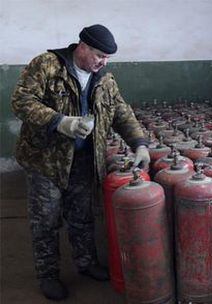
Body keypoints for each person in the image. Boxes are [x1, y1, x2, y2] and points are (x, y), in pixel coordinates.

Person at [11, 24, 150, 301]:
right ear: (82, 47)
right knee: (46, 221)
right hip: (45, 161)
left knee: (82, 217)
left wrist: (140, 144)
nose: (104, 62)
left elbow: (122, 112)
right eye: (100, 55)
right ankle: (48, 275)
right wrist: (59, 122)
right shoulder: (48, 65)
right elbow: (21, 100)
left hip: (84, 160)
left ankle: (86, 263)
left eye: (108, 58)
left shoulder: (104, 79)